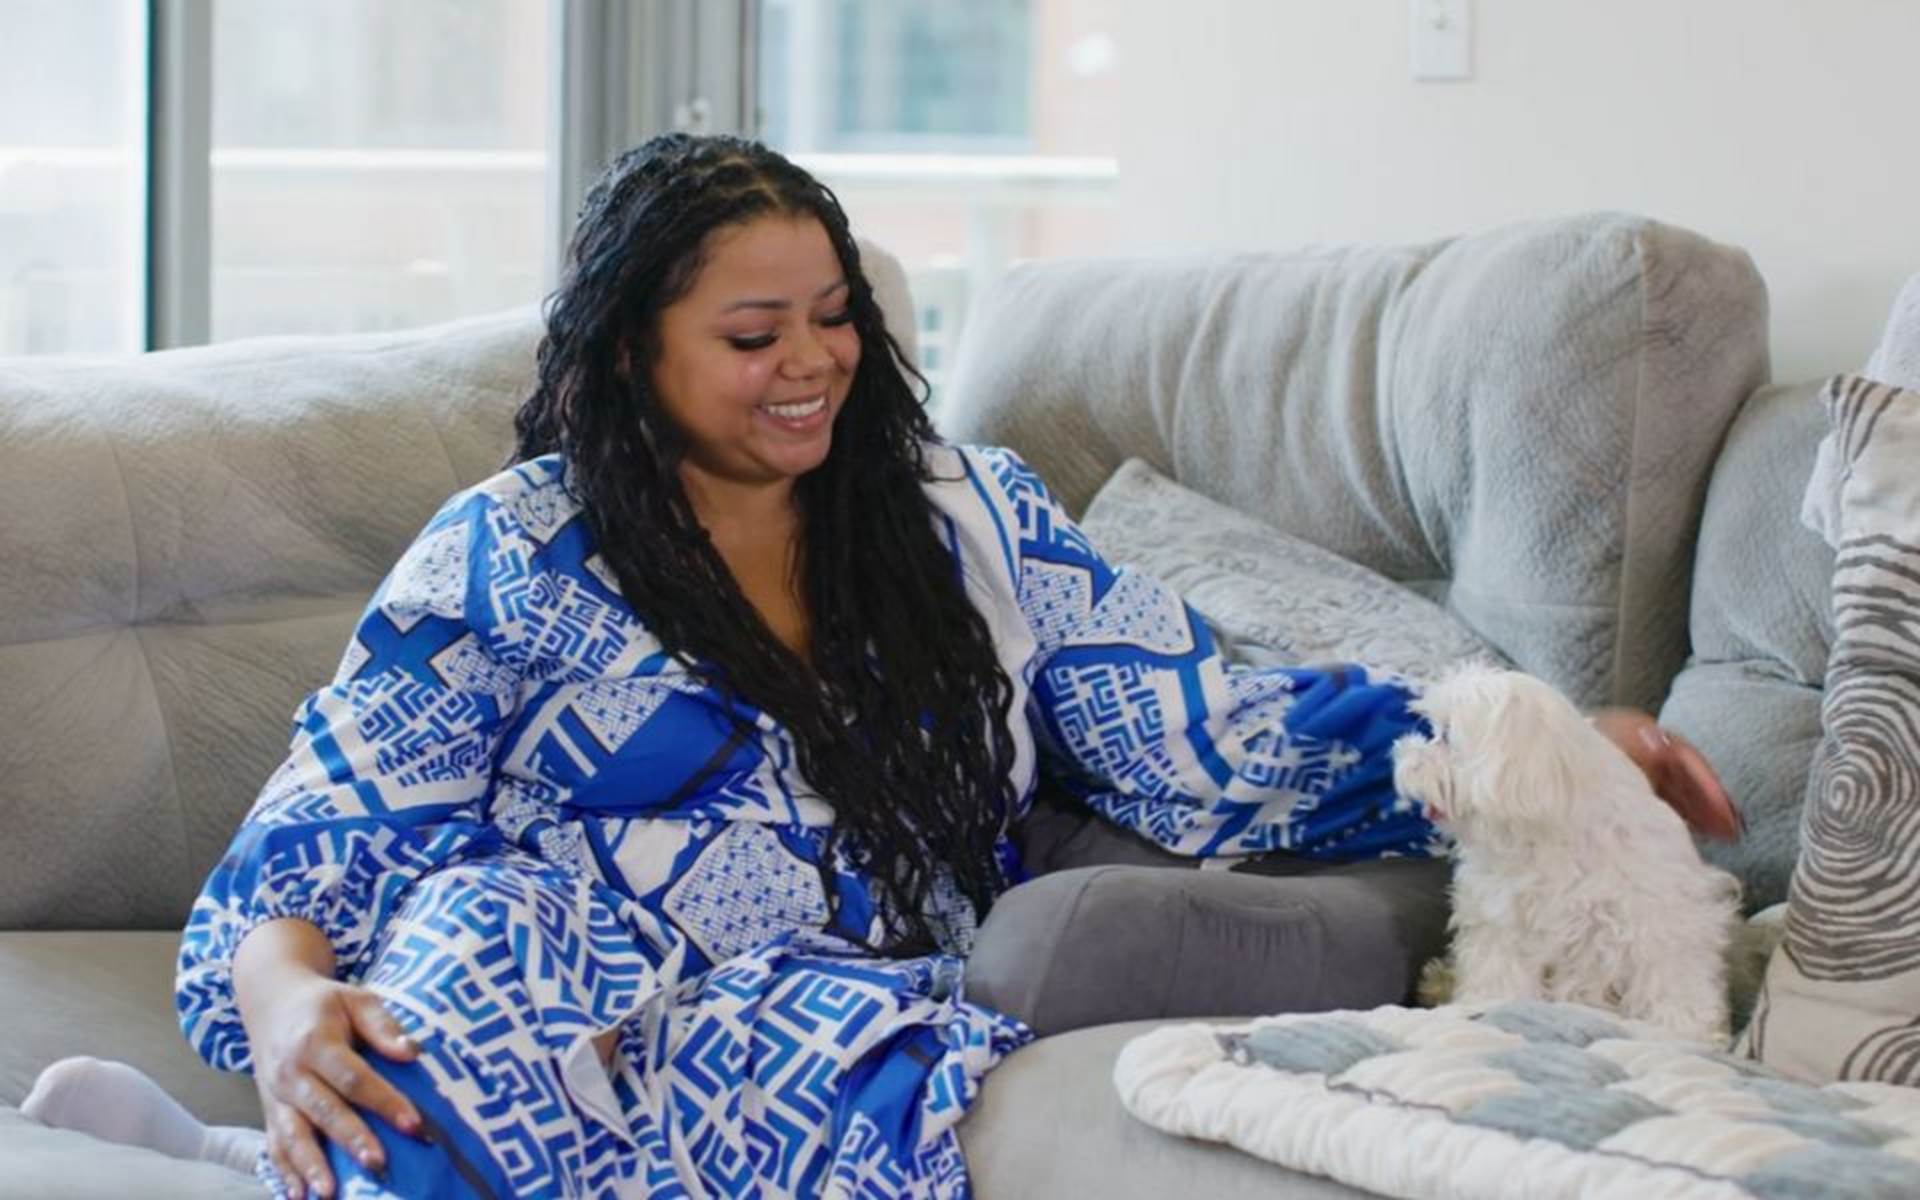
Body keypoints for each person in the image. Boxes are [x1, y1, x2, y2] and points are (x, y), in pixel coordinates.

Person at [26, 133, 1736, 1200]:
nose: (815, 366)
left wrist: (1528, 745)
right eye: (754, 335)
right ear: (635, 353)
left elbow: (1200, 733)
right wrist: (286, 1001)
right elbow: (321, 841)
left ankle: (261, 1175)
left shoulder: (967, 518)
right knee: (456, 985)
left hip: (833, 1014)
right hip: (550, 979)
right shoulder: (507, 548)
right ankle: (302, 1143)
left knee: (824, 1097)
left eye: (835, 316)